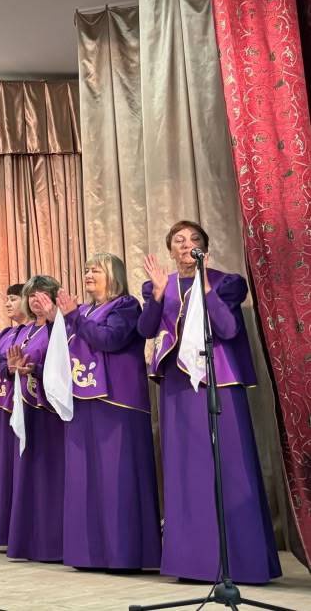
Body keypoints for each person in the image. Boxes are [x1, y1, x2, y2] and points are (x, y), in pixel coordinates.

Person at [138, 221, 280, 583]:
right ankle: (193, 563)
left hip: (220, 383)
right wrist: (157, 296)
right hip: (178, 387)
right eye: (179, 240)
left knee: (228, 466)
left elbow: (228, 329)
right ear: (170, 249)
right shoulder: (160, 285)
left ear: (205, 247)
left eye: (194, 239)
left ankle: (242, 563)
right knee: (186, 471)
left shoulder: (227, 282)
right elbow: (145, 330)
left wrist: (204, 286)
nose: (186, 245)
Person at [48, 253, 161, 571]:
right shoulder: (82, 310)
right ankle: (89, 554)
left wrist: (73, 317)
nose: (88, 274)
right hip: (83, 400)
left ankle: (124, 554)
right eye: (86, 270)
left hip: (118, 402)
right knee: (85, 479)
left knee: (117, 478)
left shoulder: (126, 306)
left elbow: (109, 340)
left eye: (95, 270)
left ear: (114, 276)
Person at [4, 276, 66, 562]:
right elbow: (8, 366)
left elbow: (64, 364)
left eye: (42, 295)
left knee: (50, 474)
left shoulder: (60, 327)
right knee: (29, 474)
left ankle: (54, 542)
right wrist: (11, 367)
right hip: (27, 406)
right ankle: (30, 540)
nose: (35, 300)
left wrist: (35, 370)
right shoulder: (26, 330)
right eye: (31, 295)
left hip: (50, 410)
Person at [0, 284, 27, 546]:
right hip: (3, 405)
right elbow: (1, 368)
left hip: (25, 404)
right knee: (4, 470)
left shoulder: (36, 331)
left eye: (13, 299)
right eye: (6, 299)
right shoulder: (9, 333)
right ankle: (4, 531)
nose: (8, 304)